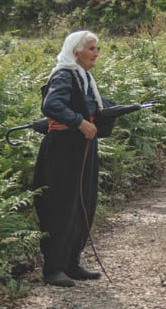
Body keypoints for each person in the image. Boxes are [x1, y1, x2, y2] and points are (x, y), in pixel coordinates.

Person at [32, 30, 114, 287]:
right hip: (63, 151)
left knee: (83, 203)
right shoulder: (64, 75)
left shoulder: (84, 78)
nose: (96, 53)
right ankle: (54, 268)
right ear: (75, 51)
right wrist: (79, 123)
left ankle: (71, 263)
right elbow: (52, 105)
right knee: (62, 206)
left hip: (83, 150)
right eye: (91, 48)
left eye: (96, 48)